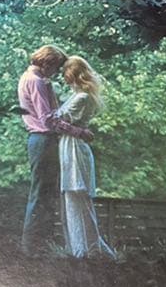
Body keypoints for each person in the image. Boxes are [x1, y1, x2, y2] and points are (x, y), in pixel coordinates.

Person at [17, 46, 93, 256]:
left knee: (45, 193)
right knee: (41, 194)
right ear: (47, 63)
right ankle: (33, 247)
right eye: (57, 67)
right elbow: (48, 120)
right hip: (43, 140)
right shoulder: (36, 81)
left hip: (41, 141)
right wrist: (79, 132)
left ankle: (39, 245)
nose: (58, 72)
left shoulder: (32, 79)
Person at [54, 56, 117, 259]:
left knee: (76, 198)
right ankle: (87, 249)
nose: (63, 77)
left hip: (74, 148)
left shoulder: (81, 98)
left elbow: (56, 121)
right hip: (71, 145)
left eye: (65, 73)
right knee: (74, 199)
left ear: (72, 73)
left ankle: (83, 250)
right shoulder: (78, 95)